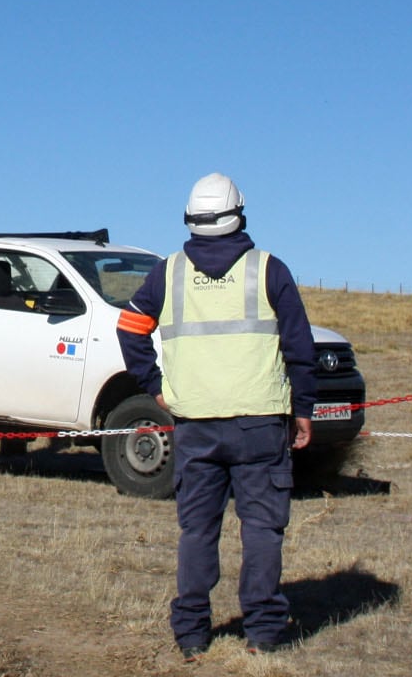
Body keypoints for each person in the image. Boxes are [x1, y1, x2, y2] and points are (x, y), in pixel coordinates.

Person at [117, 173, 318, 661]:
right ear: (239, 215)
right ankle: (264, 634)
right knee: (263, 530)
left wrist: (156, 388)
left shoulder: (167, 273)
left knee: (198, 531)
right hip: (259, 426)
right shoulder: (269, 270)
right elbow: (299, 347)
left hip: (196, 427)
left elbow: (129, 328)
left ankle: (190, 634)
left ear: (190, 219)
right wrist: (304, 410)